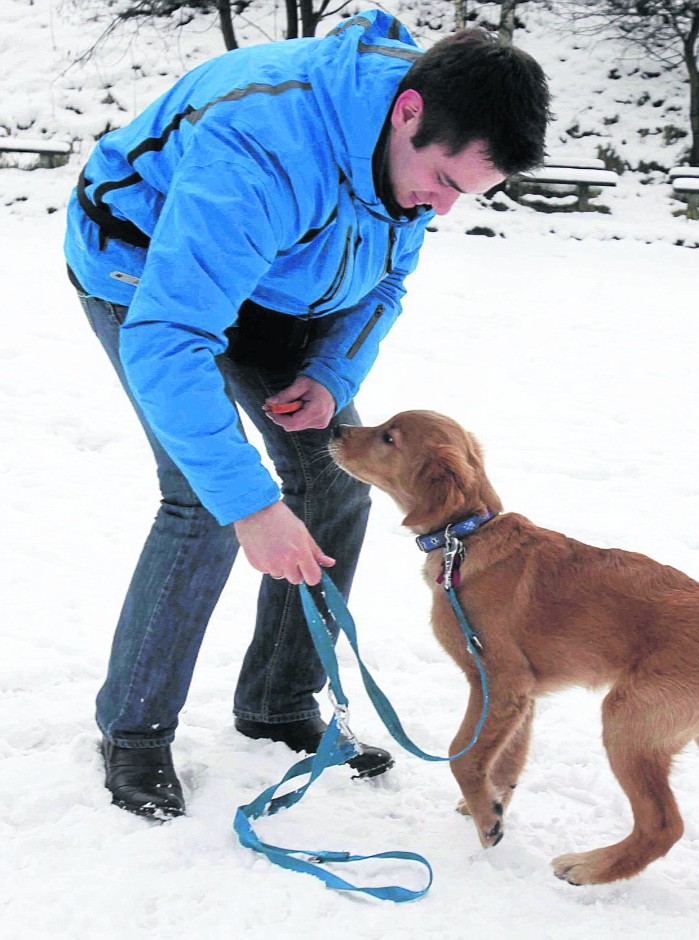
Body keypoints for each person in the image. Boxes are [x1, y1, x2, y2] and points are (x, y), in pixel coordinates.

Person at [65, 8, 550, 819]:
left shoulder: (415, 155)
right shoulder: (262, 145)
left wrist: (329, 370)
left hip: (281, 286)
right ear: (408, 113)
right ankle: (136, 730)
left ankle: (278, 701)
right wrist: (253, 506)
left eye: (467, 195)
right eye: (444, 185)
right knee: (203, 500)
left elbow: (387, 279)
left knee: (336, 482)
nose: (441, 212)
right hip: (146, 276)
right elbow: (171, 336)